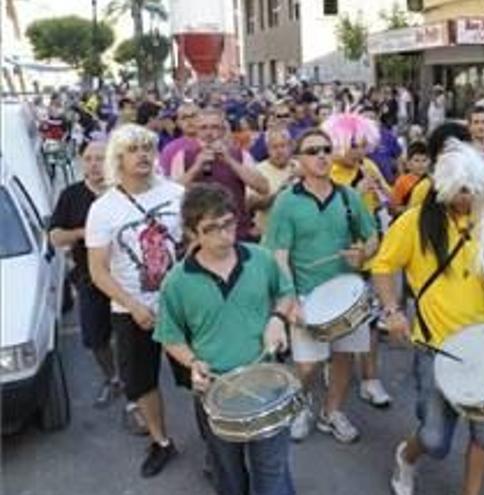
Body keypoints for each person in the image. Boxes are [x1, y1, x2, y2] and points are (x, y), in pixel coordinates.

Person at [372, 139, 484, 495]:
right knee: (435, 438)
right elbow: (383, 267)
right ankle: (407, 458)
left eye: (475, 191)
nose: (468, 199)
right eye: (462, 190)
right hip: (436, 348)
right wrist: (393, 310)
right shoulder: (414, 221)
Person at [155, 184, 298, 495]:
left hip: (267, 382)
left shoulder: (260, 258)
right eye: (212, 228)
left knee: (272, 471)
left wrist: (278, 319)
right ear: (193, 233)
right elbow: (170, 335)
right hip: (217, 390)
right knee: (229, 477)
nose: (224, 234)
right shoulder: (176, 282)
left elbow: (285, 293)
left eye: (228, 223)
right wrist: (193, 362)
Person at [264, 128, 379, 443]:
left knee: (343, 357)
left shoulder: (348, 196)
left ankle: (332, 412)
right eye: (313, 151)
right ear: (298, 159)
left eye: (326, 149)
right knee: (307, 366)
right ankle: (301, 406)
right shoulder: (287, 202)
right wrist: (291, 302)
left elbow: (371, 236)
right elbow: (279, 256)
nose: (322, 156)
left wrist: (363, 252)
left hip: (348, 295)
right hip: (306, 296)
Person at [85, 124, 183, 477]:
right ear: (118, 158)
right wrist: (134, 304)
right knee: (141, 382)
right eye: (133, 149)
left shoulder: (176, 193)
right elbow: (98, 270)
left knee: (200, 375)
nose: (143, 154)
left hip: (182, 307)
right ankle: (161, 442)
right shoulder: (103, 208)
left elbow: (195, 245)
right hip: (131, 311)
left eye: (148, 148)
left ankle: (218, 447)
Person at [321, 112, 394, 407]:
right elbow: (324, 214)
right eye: (354, 144)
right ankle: (332, 367)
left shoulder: (369, 166)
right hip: (337, 260)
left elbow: (389, 200)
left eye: (364, 145)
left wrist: (381, 187)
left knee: (372, 323)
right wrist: (354, 191)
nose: (360, 151)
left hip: (370, 258)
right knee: (335, 321)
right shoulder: (326, 171)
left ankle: (370, 378)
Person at [49, 141, 124, 408]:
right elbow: (56, 236)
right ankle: (113, 378)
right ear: (82, 162)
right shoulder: (72, 195)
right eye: (89, 158)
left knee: (132, 331)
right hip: (89, 278)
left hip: (125, 277)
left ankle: (136, 382)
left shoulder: (123, 191)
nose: (94, 164)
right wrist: (85, 232)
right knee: (94, 335)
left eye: (100, 158)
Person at [171, 107, 269, 241]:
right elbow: (171, 194)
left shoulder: (239, 155)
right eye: (204, 128)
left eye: (214, 127)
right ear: (197, 131)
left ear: (223, 130)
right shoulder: (183, 157)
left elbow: (263, 187)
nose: (209, 133)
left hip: (236, 232)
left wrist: (230, 161)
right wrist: (196, 167)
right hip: (200, 236)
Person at [247, 127, 299, 238]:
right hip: (269, 235)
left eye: (283, 146)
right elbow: (251, 204)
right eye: (274, 147)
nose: (279, 151)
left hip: (298, 234)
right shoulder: (257, 170)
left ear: (290, 147)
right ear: (267, 149)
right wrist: (278, 195)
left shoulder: (300, 167)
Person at [158, 102, 200, 176]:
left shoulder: (211, 144)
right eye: (184, 117)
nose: (189, 121)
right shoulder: (170, 149)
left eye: (193, 116)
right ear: (178, 122)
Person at [390, 141, 430, 216]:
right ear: (408, 164)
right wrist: (409, 208)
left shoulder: (431, 181)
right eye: (416, 160)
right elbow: (392, 209)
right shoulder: (402, 182)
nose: (421, 164)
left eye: (424, 160)